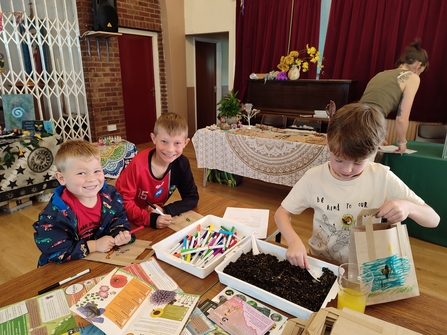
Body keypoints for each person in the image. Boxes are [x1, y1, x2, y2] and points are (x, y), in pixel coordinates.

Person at [274, 103, 439, 269]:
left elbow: (433, 219)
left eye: (358, 162)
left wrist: (408, 207)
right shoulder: (314, 178)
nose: (347, 170)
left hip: (367, 268)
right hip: (322, 265)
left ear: (375, 149)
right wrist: (294, 241)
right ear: (328, 143)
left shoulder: (382, 177)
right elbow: (282, 213)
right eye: (339, 159)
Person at [33, 139, 133, 266]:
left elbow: (119, 219)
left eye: (97, 171)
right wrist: (94, 245)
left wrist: (120, 234)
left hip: (103, 261)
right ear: (62, 178)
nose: (92, 179)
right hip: (67, 268)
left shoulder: (111, 196)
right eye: (81, 173)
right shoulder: (53, 215)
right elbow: (56, 251)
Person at [115, 112, 199, 229]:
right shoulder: (138, 164)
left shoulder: (181, 164)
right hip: (126, 220)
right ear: (154, 138)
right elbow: (122, 203)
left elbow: (192, 198)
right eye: (164, 141)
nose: (170, 149)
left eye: (177, 143)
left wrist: (164, 210)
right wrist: (149, 219)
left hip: (153, 219)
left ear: (185, 143)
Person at [359, 39, 429, 154]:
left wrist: (377, 134)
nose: (420, 74)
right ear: (418, 65)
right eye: (422, 70)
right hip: (370, 122)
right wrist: (402, 143)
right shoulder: (413, 77)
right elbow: (401, 118)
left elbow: (369, 105)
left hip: (354, 117)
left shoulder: (381, 73)